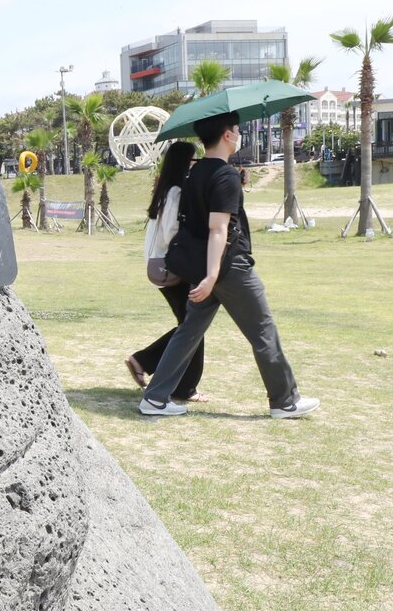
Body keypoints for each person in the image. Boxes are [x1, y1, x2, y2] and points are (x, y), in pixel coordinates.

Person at [137, 111, 319, 419]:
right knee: (263, 330)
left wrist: (206, 277)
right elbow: (217, 229)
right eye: (237, 129)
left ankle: (154, 398)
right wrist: (211, 276)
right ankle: (285, 401)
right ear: (227, 135)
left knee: (188, 333)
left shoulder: (193, 175)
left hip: (206, 269)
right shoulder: (224, 175)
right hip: (228, 268)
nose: (239, 134)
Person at [125, 141, 207, 402]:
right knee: (192, 327)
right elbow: (172, 231)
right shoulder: (174, 192)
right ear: (185, 163)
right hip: (175, 269)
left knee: (190, 326)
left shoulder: (166, 189)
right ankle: (178, 384)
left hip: (164, 266)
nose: (196, 167)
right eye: (194, 162)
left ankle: (147, 362)